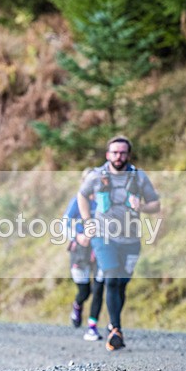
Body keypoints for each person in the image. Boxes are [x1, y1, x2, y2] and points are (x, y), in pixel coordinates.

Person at [77, 136, 160, 351]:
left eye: (122, 153)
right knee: (112, 278)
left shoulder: (139, 177)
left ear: (128, 155)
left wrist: (141, 206)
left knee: (121, 284)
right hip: (104, 236)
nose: (118, 157)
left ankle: (114, 325)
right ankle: (116, 329)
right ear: (107, 155)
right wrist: (87, 222)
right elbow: (82, 196)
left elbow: (156, 204)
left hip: (131, 238)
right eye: (114, 152)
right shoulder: (96, 176)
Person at [63, 169, 105, 341]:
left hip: (100, 248)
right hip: (80, 250)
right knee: (84, 291)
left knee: (99, 288)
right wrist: (77, 236)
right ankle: (77, 304)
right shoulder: (77, 201)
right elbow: (64, 223)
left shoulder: (104, 202)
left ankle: (92, 327)